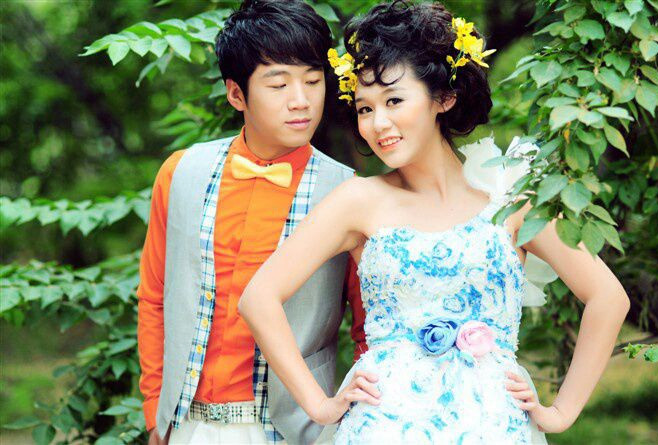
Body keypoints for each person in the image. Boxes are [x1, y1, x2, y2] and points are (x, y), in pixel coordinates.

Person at [238, 1, 630, 444]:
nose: (378, 123)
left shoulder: (511, 201)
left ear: (444, 97)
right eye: (364, 109)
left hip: (493, 428)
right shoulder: (359, 201)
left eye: (394, 101)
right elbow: (259, 298)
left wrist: (560, 412)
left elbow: (607, 298)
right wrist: (321, 405)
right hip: (384, 428)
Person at [136, 1, 368, 444]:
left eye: (313, 81)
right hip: (186, 424)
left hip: (297, 428)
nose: (301, 101)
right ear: (236, 94)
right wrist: (155, 415)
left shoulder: (350, 194)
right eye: (278, 84)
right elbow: (154, 298)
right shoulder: (180, 173)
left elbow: (369, 330)